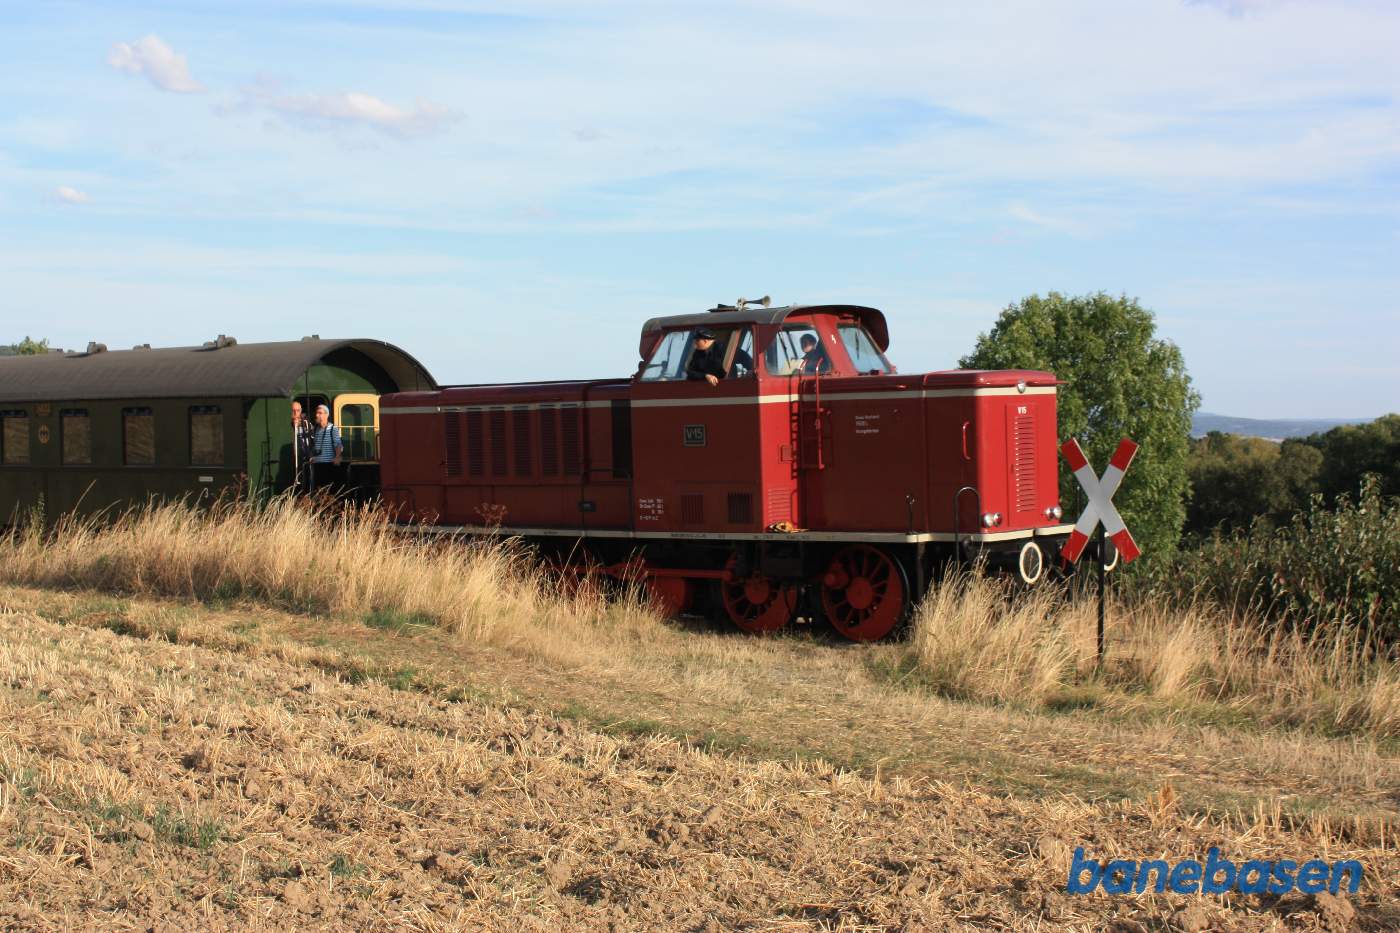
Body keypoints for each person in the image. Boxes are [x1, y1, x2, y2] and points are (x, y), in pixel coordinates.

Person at [686, 328, 753, 386]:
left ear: (705, 341)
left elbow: (745, 358)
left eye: (697, 341)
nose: (695, 344)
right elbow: (690, 372)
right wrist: (706, 376)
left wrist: (750, 370)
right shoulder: (698, 352)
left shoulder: (724, 349)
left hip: (728, 385)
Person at [309, 403, 343, 493]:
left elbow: (338, 444)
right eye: (317, 413)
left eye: (320, 413)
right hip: (317, 465)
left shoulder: (332, 428)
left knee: (328, 490)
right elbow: (315, 445)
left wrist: (338, 456)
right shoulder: (316, 429)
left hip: (328, 465)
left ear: (326, 415)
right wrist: (312, 456)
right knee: (318, 491)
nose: (317, 415)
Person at [290, 400, 313, 491]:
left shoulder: (307, 425)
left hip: (304, 459)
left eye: (298, 410)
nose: (296, 413)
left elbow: (312, 440)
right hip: (291, 460)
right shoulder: (289, 425)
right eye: (293, 411)